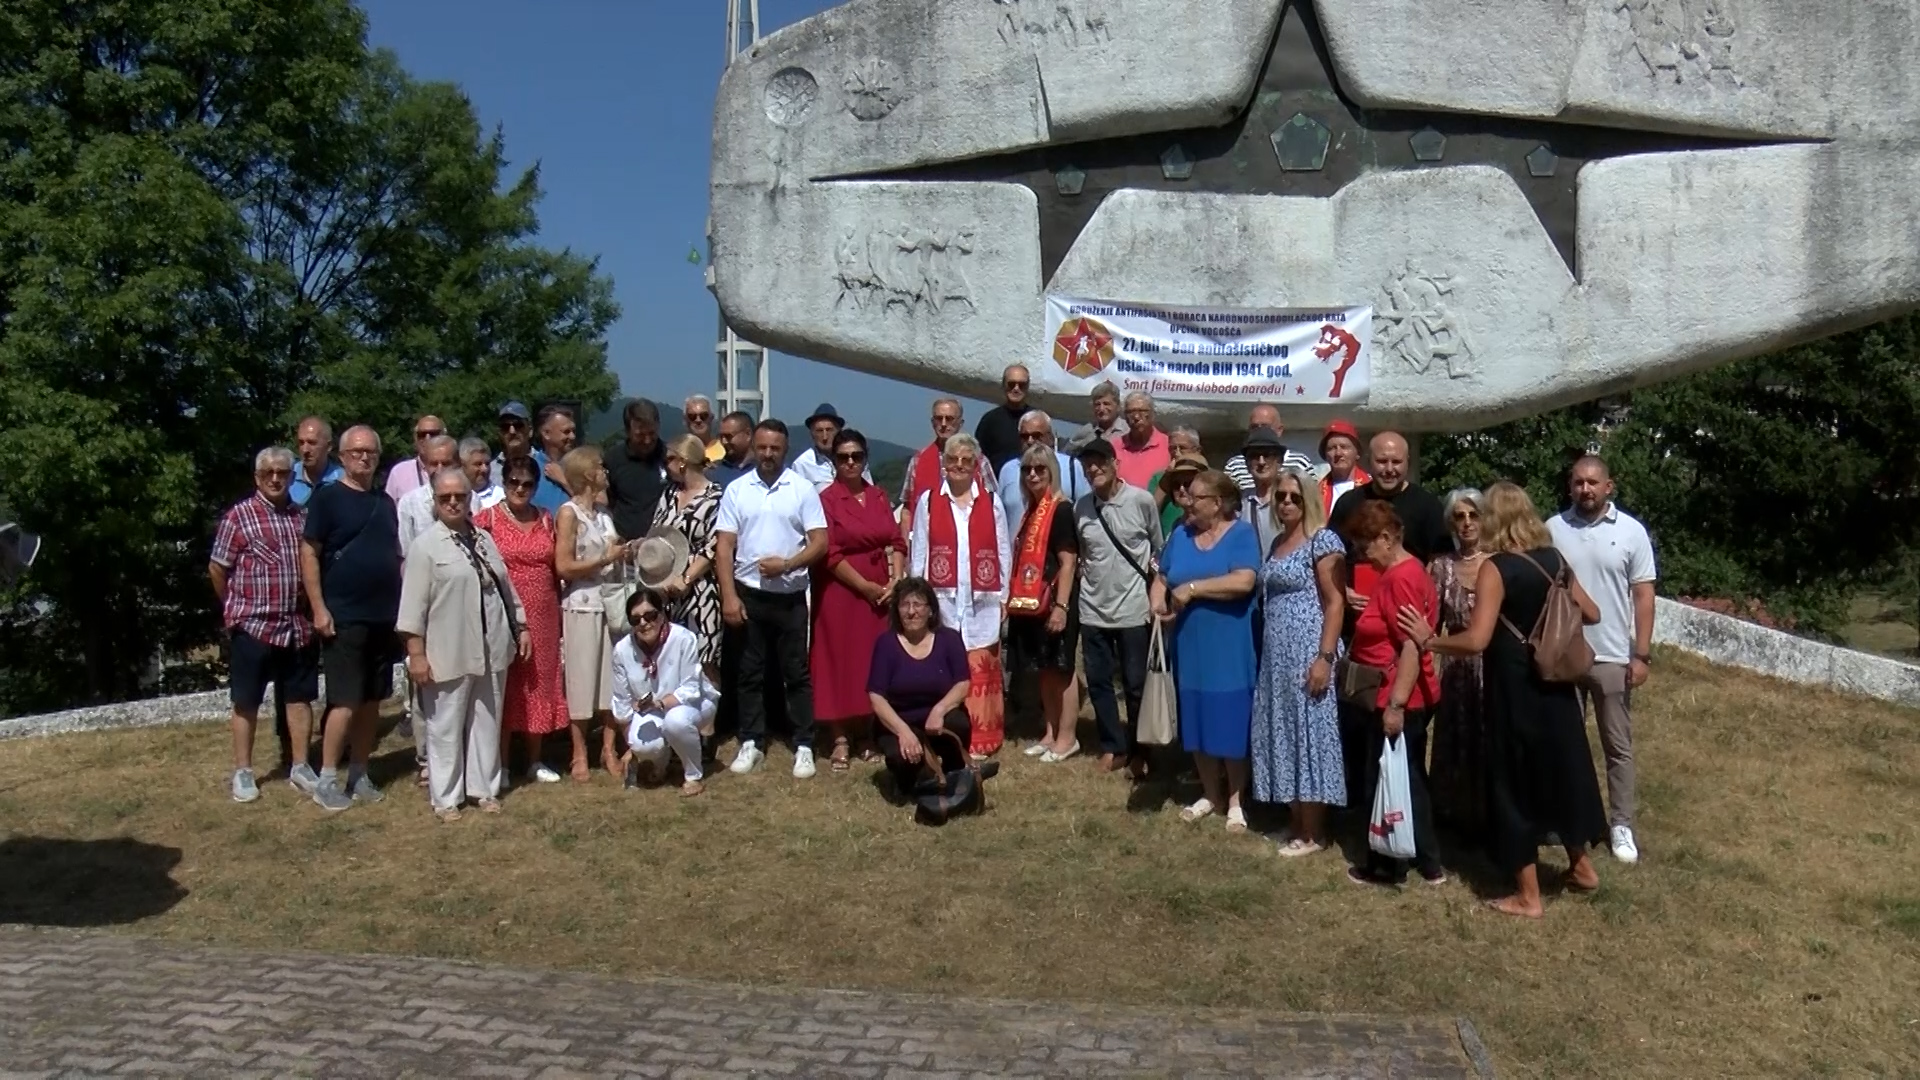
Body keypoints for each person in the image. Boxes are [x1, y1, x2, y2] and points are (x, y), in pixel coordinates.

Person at [1398, 481, 1609, 918]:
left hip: (1514, 688)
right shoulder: (1555, 559)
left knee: (1512, 783)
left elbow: (1476, 640)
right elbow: (1592, 613)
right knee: (1560, 773)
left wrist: (1430, 641)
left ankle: (1528, 896)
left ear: (1497, 519)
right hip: (1555, 684)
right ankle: (1582, 867)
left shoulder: (1498, 568)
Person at [397, 467, 530, 823]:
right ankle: (446, 797)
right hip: (447, 648)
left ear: (470, 497)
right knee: (445, 725)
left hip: (492, 645)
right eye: (445, 498)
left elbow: (505, 586)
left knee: (487, 719)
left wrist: (521, 626)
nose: (453, 502)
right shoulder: (425, 547)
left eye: (460, 496)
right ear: (435, 501)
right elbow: (412, 608)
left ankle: (484, 788)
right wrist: (416, 654)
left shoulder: (485, 539)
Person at [1547, 455, 1658, 865]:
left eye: (1593, 483)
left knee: (1617, 744)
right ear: (1570, 486)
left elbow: (1643, 595)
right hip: (1564, 653)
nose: (1585, 490)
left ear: (1609, 486)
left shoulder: (1631, 532)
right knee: (1565, 743)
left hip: (1612, 654)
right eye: (1578, 483)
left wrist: (1641, 652)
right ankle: (1569, 819)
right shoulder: (1552, 529)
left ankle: (1621, 824)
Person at [715, 419, 829, 779]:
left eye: (774, 448)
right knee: (750, 672)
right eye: (762, 447)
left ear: (785, 449)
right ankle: (751, 739)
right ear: (755, 447)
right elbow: (724, 547)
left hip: (791, 595)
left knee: (795, 672)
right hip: (749, 593)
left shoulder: (801, 489)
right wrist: (729, 596)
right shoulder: (737, 490)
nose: (767, 454)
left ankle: (804, 743)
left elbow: (820, 542)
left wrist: (788, 564)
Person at [1341, 501, 1444, 888]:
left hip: (1397, 696)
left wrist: (1396, 705)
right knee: (1411, 778)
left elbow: (1411, 647)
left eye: (1365, 545)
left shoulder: (1402, 577)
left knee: (1386, 782)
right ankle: (1428, 863)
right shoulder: (1402, 572)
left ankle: (1387, 865)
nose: (1360, 554)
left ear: (1386, 538)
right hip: (1401, 693)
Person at [1152, 470, 1261, 833]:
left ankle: (1235, 800)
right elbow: (1163, 577)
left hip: (1228, 645)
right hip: (1187, 642)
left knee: (1229, 720)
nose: (1185, 501)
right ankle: (1210, 793)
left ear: (1218, 503)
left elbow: (1245, 580)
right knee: (1196, 718)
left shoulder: (1241, 534)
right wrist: (1157, 605)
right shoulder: (1181, 535)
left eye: (1194, 497)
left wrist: (1195, 588)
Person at [299, 424, 401, 813]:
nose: (364, 457)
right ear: (342, 456)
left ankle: (359, 771)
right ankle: (327, 776)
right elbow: (309, 553)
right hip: (343, 617)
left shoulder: (384, 502)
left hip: (381, 616)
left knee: (373, 699)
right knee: (344, 700)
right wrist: (319, 608)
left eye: (370, 451)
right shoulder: (327, 500)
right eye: (356, 451)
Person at [209, 447, 320, 802]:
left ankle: (301, 766)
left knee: (300, 699)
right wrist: (232, 609)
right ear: (257, 477)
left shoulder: (301, 517)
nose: (276, 479)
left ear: (292, 476)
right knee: (246, 701)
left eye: (283, 473)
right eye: (269, 473)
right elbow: (217, 568)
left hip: (296, 626)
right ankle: (243, 771)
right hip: (253, 627)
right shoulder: (238, 517)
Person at [1250, 468, 1347, 856]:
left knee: (1310, 737)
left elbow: (1336, 602)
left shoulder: (1322, 541)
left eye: (1294, 496)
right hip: (1276, 657)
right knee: (1284, 733)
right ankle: (1294, 822)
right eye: (1281, 497)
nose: (1287, 503)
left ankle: (1313, 833)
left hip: (1309, 651)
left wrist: (1324, 658)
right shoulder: (1276, 543)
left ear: (1308, 500)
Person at [908, 433, 1011, 759]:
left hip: (982, 600)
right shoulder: (928, 501)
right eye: (953, 460)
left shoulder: (991, 502)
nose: (959, 466)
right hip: (944, 600)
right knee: (946, 666)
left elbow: (1003, 549)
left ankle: (983, 738)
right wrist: (917, 599)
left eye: (967, 460)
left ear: (976, 465)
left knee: (982, 665)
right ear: (944, 464)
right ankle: (948, 735)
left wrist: (1004, 594)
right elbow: (919, 552)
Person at [812, 429, 906, 772]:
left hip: (881, 591)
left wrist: (895, 579)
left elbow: (896, 540)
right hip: (842, 589)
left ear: (866, 458)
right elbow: (830, 552)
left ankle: (867, 731)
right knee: (838, 659)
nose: (850, 463)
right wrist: (864, 585)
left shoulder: (879, 495)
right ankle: (839, 736)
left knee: (872, 660)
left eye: (857, 456)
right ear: (834, 462)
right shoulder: (826, 500)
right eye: (843, 457)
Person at [476, 455, 570, 784]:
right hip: (503, 613)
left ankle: (534, 759)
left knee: (539, 685)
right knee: (504, 685)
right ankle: (499, 764)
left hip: (544, 614)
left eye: (527, 483)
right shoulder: (486, 519)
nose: (520, 488)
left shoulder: (545, 518)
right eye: (513, 481)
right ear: (504, 483)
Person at [1073, 436, 1163, 777]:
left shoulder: (1140, 501)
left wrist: (1157, 593)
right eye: (1087, 465)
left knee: (1135, 684)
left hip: (1133, 608)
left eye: (1099, 462)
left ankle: (1142, 751)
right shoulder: (1081, 507)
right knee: (1098, 681)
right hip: (1092, 608)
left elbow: (1158, 548)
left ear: (1115, 464)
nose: (1093, 469)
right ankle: (1113, 746)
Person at [554, 445, 635, 781]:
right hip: (582, 605)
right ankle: (578, 753)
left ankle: (608, 748)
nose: (606, 472)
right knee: (581, 678)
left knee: (608, 681)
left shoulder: (603, 516)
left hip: (610, 603)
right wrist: (604, 558)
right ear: (588, 474)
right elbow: (564, 564)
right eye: (601, 467)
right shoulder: (569, 513)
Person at [1005, 443, 1081, 763]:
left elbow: (1068, 561)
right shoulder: (1030, 510)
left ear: (1053, 472)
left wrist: (1062, 608)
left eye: (1040, 469)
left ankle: (1067, 737)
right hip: (1031, 600)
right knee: (1044, 670)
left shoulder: (1060, 509)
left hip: (1054, 600)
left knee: (1062, 669)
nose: (1032, 474)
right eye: (1027, 469)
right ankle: (1049, 732)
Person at [866, 578, 973, 798]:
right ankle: (909, 777)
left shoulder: (949, 639)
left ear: (931, 610)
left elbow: (963, 683)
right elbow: (876, 696)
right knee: (905, 765)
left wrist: (940, 709)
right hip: (900, 721)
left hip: (937, 720)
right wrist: (903, 732)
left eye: (918, 605)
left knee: (958, 723)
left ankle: (953, 770)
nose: (911, 612)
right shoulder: (886, 644)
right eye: (905, 605)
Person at [1428, 488, 1491, 839]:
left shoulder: (1499, 561)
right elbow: (1430, 621)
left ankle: (1490, 816)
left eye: (1473, 515)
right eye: (1459, 516)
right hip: (1454, 664)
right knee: (1456, 736)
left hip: (1492, 662)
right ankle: (1454, 817)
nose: (1466, 523)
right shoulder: (1441, 566)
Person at [613, 587, 716, 796]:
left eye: (649, 615)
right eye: (635, 620)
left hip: (694, 703)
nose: (643, 623)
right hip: (652, 709)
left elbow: (690, 689)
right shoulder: (622, 650)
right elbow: (621, 701)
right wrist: (631, 744)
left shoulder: (683, 638)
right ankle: (662, 765)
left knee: (676, 721)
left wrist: (660, 704)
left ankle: (693, 775)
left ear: (662, 615)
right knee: (642, 744)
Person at [650, 434, 722, 679]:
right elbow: (657, 531)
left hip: (700, 589)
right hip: (666, 587)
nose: (665, 465)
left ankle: (710, 717)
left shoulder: (715, 497)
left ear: (681, 461)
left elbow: (714, 545)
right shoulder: (669, 494)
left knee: (705, 663)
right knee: (670, 662)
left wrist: (687, 577)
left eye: (669, 459)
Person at [900, 397, 988, 537]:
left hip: (968, 540)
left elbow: (992, 504)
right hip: (926, 541)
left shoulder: (978, 460)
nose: (943, 424)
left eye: (950, 419)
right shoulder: (918, 460)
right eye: (938, 418)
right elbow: (907, 509)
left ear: (960, 423)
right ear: (932, 422)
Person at [995, 410, 1087, 529]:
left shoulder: (1071, 466)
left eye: (1036, 436)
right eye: (1024, 436)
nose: (1030, 441)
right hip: (1018, 546)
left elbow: (1085, 511)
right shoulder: (1007, 470)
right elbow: (999, 518)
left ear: (1050, 437)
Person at [605, 398, 669, 543]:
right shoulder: (613, 459)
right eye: (640, 435)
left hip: (662, 547)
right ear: (627, 431)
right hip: (625, 546)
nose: (647, 441)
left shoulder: (669, 456)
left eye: (652, 434)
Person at [1224, 405, 1316, 494]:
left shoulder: (1300, 462)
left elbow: (1312, 498)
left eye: (1265, 427)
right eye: (1254, 427)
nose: (1260, 431)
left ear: (1279, 430)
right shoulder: (1234, 465)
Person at [396, 435, 459, 558]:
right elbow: (406, 552)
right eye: (434, 464)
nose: (440, 470)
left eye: (446, 464)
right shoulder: (410, 503)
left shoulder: (471, 499)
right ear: (426, 466)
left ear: (458, 463)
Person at [792, 403, 870, 491]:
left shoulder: (856, 459)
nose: (825, 437)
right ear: (811, 434)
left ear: (839, 431)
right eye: (819, 431)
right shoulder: (802, 465)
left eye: (829, 430)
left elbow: (868, 489)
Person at [1237, 426, 1291, 556]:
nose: (1261, 462)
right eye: (1255, 456)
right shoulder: (1240, 502)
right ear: (1247, 464)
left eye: (1267, 456)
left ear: (1280, 461)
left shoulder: (1291, 499)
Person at [974, 364, 1034, 474]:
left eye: (1022, 385)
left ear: (1028, 387)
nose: (1016, 389)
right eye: (1011, 384)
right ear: (1003, 385)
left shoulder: (1037, 420)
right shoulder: (989, 421)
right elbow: (977, 459)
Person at [1148, 428, 1204, 536]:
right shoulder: (1159, 478)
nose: (1176, 453)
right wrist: (1167, 478)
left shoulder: (1208, 476)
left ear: (1197, 450)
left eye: (1182, 448)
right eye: (1172, 448)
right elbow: (1150, 512)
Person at [1114, 391, 1170, 491]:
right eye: (1131, 412)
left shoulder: (1169, 445)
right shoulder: (1114, 446)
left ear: (1153, 414)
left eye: (1142, 411)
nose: (1136, 417)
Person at [384, 414, 447, 503]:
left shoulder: (458, 470)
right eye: (421, 434)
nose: (427, 438)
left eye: (433, 434)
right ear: (415, 439)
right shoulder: (399, 473)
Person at [532, 404, 578, 514]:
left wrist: (564, 481)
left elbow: (600, 502)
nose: (572, 436)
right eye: (566, 431)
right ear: (546, 434)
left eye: (573, 431)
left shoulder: (581, 465)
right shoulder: (530, 468)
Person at [1317, 420, 1370, 510]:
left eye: (1344, 447)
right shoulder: (1316, 493)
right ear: (1325, 455)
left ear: (1357, 453)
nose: (1338, 453)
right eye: (1332, 448)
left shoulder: (1371, 487)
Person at [291, 416, 343, 507]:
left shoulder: (343, 480)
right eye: (301, 443)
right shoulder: (288, 476)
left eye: (312, 443)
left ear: (329, 446)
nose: (305, 450)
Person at [1153, 452, 1206, 538]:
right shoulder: (1178, 525)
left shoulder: (1215, 526)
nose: (1181, 489)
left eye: (1188, 483)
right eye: (1176, 485)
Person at [489, 401, 536, 488]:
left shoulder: (547, 466)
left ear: (530, 430)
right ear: (500, 433)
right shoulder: (489, 471)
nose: (512, 431)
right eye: (505, 427)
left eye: (518, 425)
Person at [708, 410, 755, 489]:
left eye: (728, 436)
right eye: (721, 437)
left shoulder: (764, 469)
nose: (724, 442)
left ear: (748, 434)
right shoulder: (713, 472)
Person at [462, 438, 504, 514]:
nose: (485, 469)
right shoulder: (454, 496)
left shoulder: (501, 498)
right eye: (478, 464)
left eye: (487, 463)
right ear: (462, 466)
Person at [684, 394, 725, 463]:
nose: (698, 420)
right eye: (692, 416)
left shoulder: (725, 450)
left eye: (703, 416)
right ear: (686, 419)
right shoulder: (678, 452)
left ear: (711, 418)